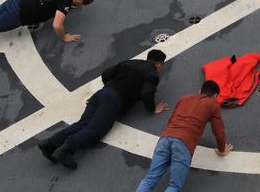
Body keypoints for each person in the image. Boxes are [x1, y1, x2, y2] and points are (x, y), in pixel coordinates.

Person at [119, 80, 233, 192]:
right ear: (216, 95)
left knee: (151, 177)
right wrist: (221, 149)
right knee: (174, 184)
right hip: (184, 144)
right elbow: (219, 132)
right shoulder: (213, 105)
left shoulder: (184, 99)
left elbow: (171, 120)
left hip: (165, 139)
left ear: (200, 90)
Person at [39, 49, 171, 170]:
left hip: (101, 94)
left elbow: (106, 73)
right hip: (114, 101)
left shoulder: (130, 62)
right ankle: (66, 150)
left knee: (82, 124)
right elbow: (147, 93)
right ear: (159, 64)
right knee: (95, 130)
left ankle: (49, 144)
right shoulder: (152, 74)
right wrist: (152, 109)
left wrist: (108, 88)